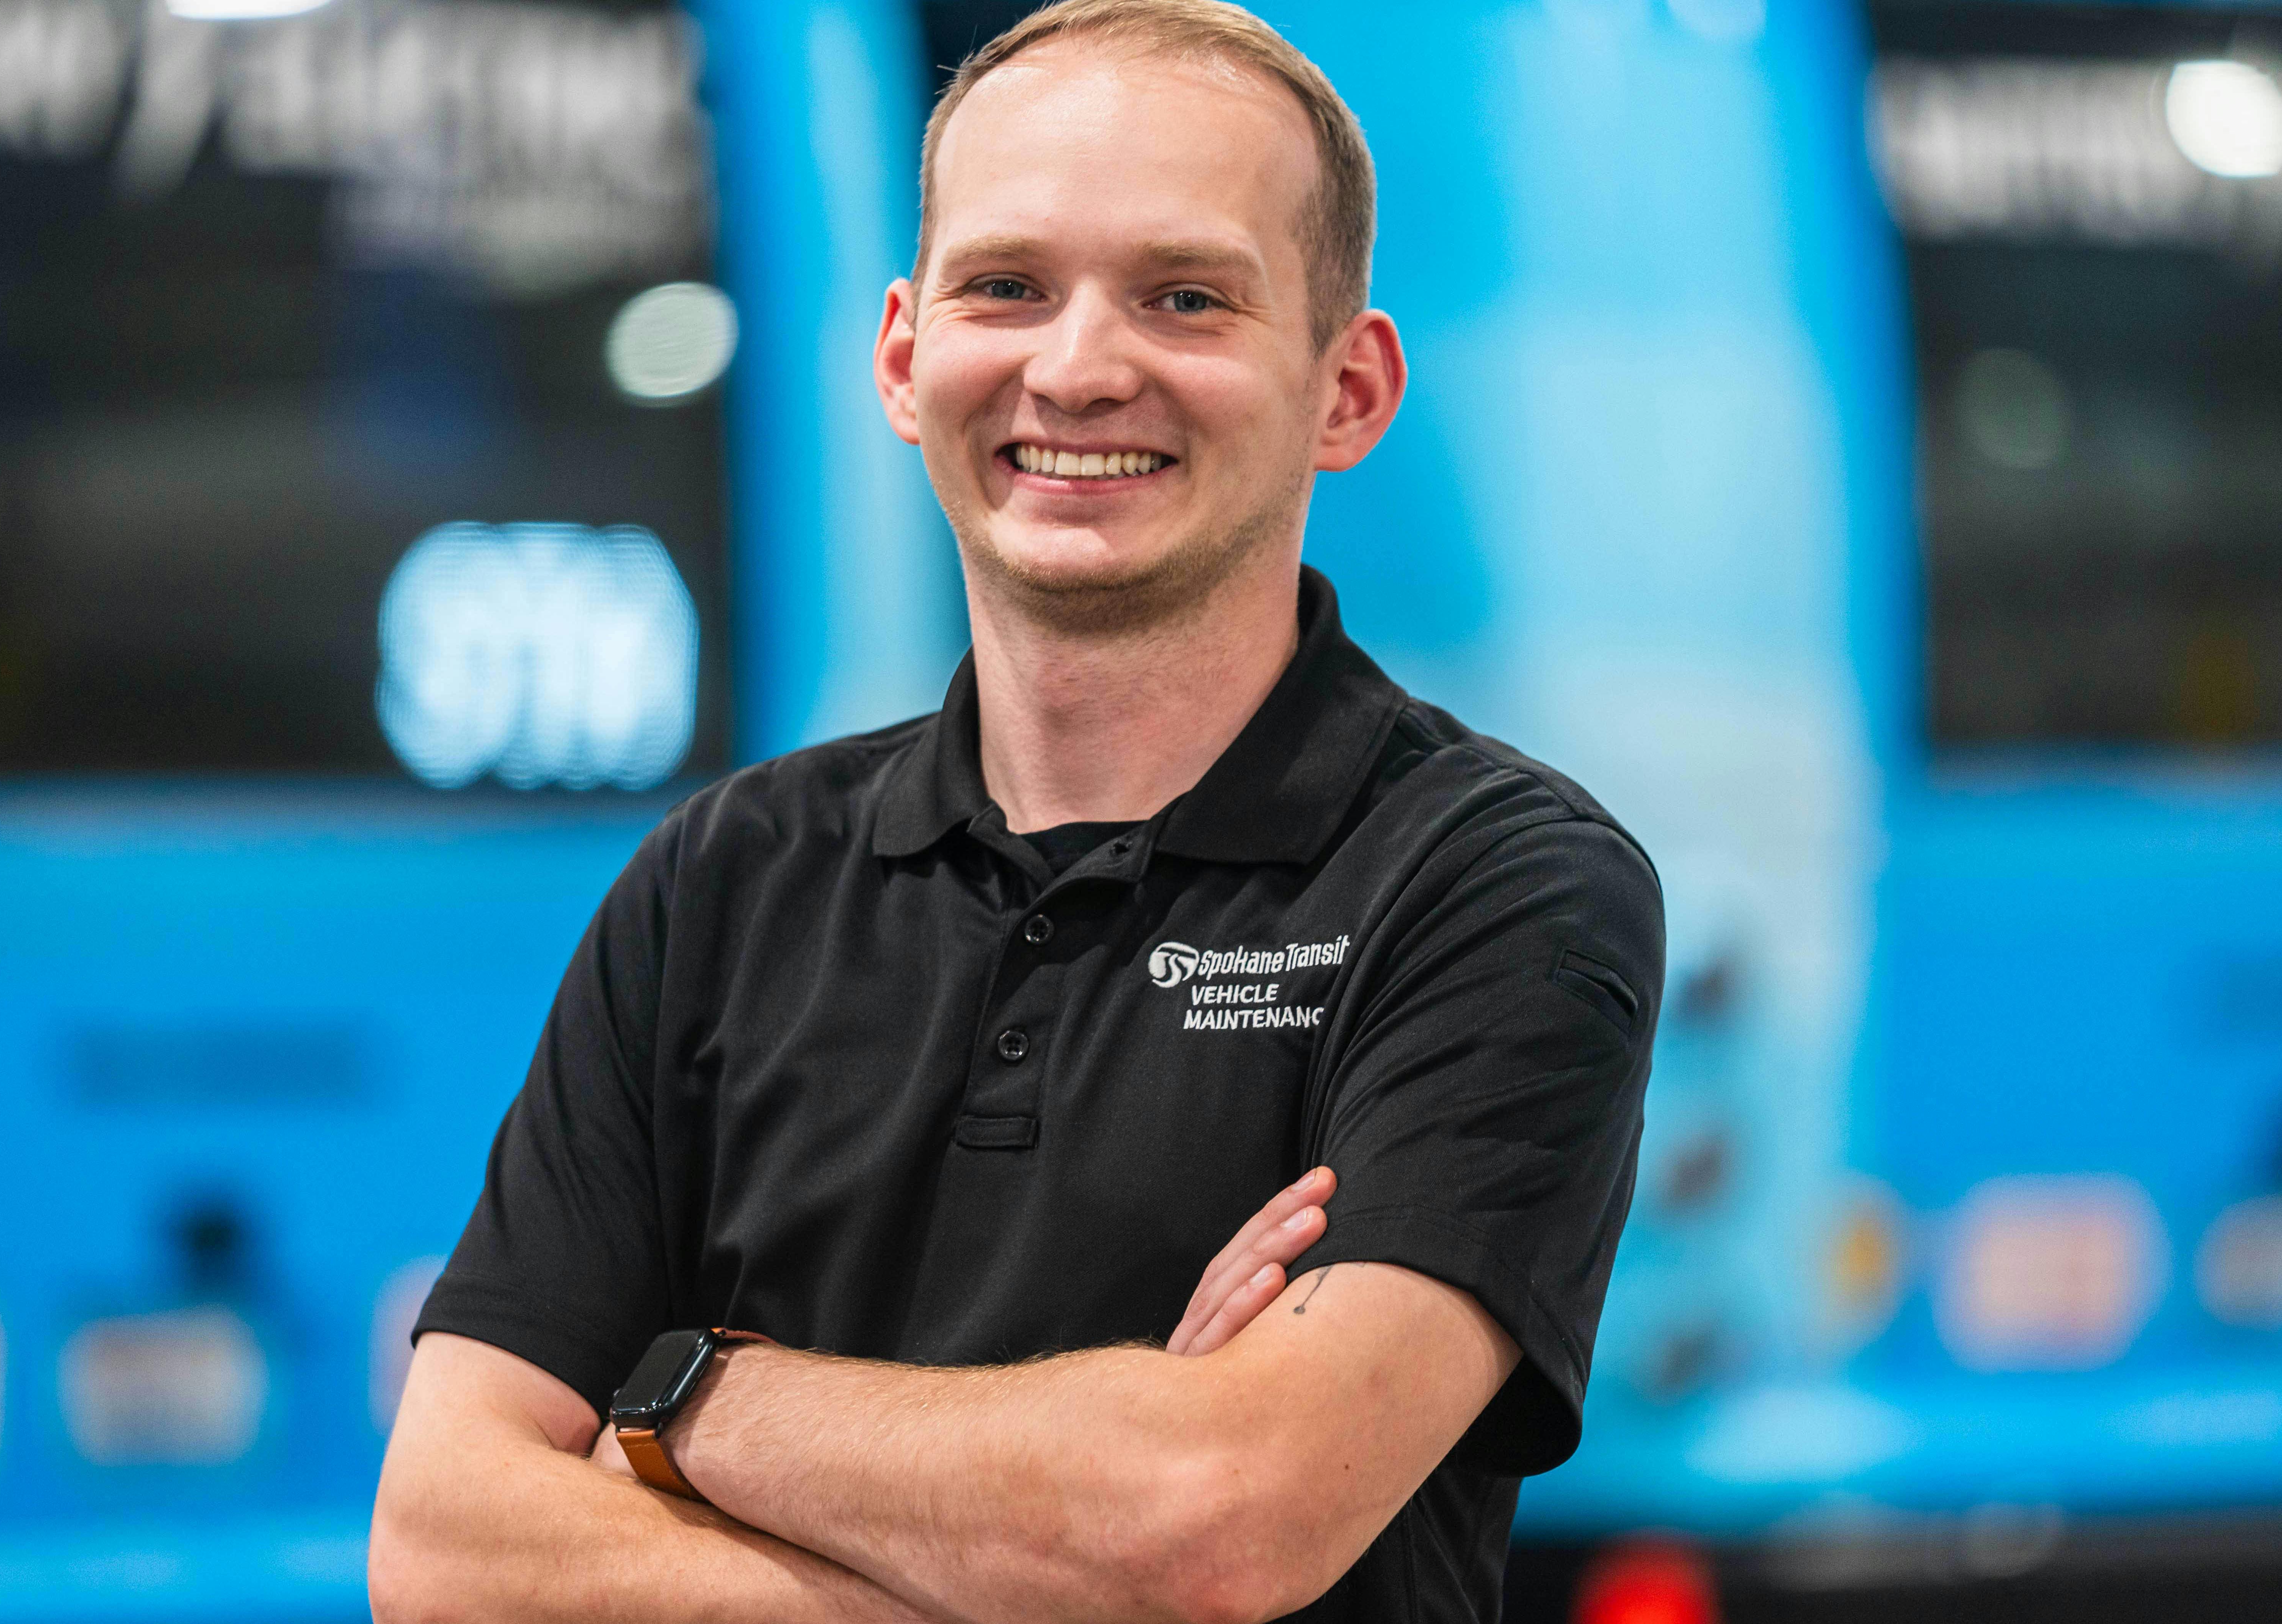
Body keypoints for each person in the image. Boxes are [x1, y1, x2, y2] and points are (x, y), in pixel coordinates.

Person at [369, 3, 1662, 1620]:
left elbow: (1216, 1517)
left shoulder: (1497, 888)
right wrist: (1076, 1519)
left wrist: (686, 1401)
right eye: (1006, 288)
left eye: (1185, 297)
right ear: (904, 359)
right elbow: (444, 1545)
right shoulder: (724, 878)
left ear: (1346, 389)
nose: (1079, 368)